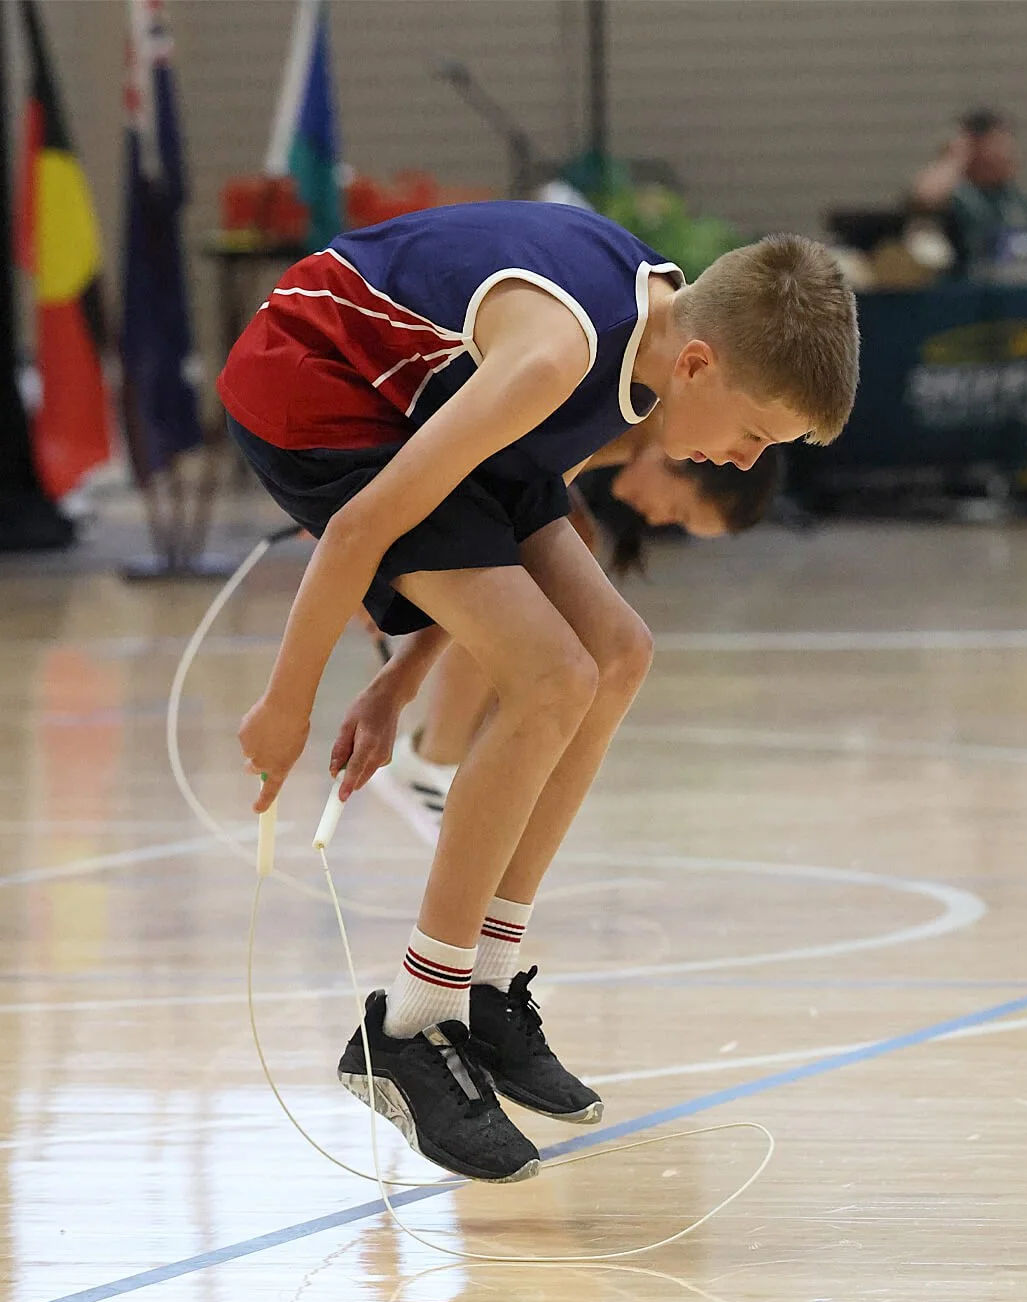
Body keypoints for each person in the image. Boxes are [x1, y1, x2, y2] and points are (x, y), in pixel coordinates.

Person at [218, 200, 858, 1183]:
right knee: (552, 673)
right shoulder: (560, 357)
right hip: (320, 389)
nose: (744, 462)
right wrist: (287, 701)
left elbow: (480, 528)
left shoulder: (649, 342)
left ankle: (488, 979)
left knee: (616, 649)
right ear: (699, 367)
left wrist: (398, 679)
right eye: (755, 434)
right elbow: (361, 529)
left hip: (421, 404)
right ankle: (413, 1020)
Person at [386, 437, 780, 819]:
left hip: (445, 483)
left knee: (565, 553)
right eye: (678, 510)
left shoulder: (597, 447)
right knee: (535, 583)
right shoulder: (606, 416)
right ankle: (433, 757)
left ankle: (440, 758)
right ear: (687, 456)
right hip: (404, 467)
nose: (660, 520)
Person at [910, 107, 1027, 269]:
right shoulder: (960, 196)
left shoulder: (1020, 202)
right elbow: (924, 197)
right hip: (975, 287)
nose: (1011, 152)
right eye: (1000, 143)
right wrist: (956, 156)